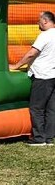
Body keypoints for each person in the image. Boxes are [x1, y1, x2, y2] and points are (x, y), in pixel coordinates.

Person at [9, 10, 55, 145]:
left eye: (39, 20)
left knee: (37, 108)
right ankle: (49, 138)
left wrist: (16, 66)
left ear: (45, 21)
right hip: (53, 75)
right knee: (51, 109)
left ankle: (39, 138)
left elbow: (31, 54)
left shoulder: (45, 35)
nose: (37, 23)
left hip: (43, 76)